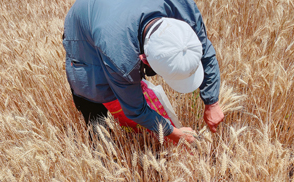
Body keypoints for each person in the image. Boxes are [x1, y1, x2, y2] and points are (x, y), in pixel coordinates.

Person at [63, 0, 224, 144]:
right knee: (93, 90)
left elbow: (205, 49)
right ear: (143, 59)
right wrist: (174, 134)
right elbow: (136, 109)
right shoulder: (120, 57)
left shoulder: (182, 6)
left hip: (118, 15)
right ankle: (101, 146)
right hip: (84, 25)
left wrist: (212, 102)